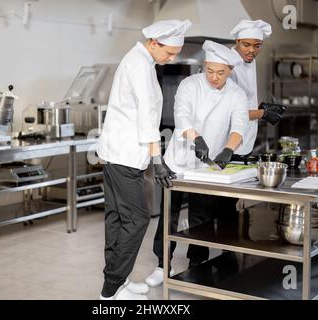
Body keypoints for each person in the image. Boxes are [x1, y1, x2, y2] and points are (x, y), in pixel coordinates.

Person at [97, 19, 192, 300]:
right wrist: (157, 160)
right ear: (154, 43)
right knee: (137, 219)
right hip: (126, 156)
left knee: (117, 218)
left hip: (118, 154)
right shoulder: (139, 65)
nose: (172, 58)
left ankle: (117, 282)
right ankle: (111, 290)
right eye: (170, 52)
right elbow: (147, 119)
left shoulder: (140, 60)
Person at [145, 40, 249, 287]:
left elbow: (239, 127)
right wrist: (198, 138)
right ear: (204, 66)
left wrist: (227, 149)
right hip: (178, 160)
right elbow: (182, 116)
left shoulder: (237, 94)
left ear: (230, 71)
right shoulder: (189, 85)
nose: (214, 77)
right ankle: (162, 265)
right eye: (210, 71)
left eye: (220, 72)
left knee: (200, 218)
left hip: (206, 166)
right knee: (169, 217)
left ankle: (197, 264)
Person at [229, 19, 286, 158]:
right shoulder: (228, 65)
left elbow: (245, 97)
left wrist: (261, 107)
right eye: (246, 45)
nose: (251, 50)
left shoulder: (249, 61)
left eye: (257, 46)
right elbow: (227, 113)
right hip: (227, 145)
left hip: (245, 142)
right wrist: (263, 113)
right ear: (237, 41)